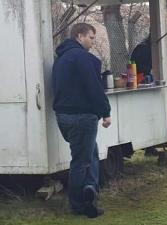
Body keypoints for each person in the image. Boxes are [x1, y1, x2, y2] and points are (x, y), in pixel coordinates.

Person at [52, 23, 112, 218]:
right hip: (82, 117)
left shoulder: (60, 60)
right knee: (81, 161)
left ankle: (90, 188)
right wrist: (105, 111)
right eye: (91, 38)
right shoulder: (83, 58)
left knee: (90, 153)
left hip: (63, 116)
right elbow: (93, 87)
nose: (93, 43)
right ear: (80, 36)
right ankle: (80, 204)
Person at [130, 35, 167, 156]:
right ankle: (148, 147)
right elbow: (144, 68)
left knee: (150, 115)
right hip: (141, 82)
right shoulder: (145, 49)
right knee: (146, 115)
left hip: (145, 81)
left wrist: (166, 69)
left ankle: (149, 147)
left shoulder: (147, 48)